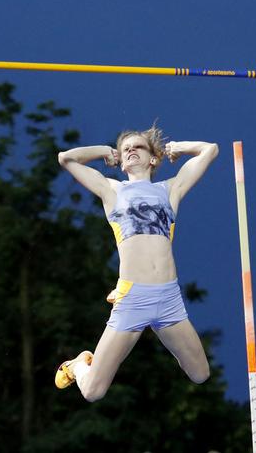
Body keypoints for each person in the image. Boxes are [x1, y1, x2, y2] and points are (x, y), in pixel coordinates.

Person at [54, 124, 218, 402]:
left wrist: (178, 147)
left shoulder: (170, 190)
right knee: (93, 392)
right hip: (134, 298)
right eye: (125, 148)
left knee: (200, 374)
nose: (130, 149)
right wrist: (104, 151)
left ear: (153, 158)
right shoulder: (111, 190)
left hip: (168, 299)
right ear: (119, 159)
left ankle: (120, 296)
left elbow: (210, 150)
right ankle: (78, 364)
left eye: (137, 146)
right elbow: (65, 158)